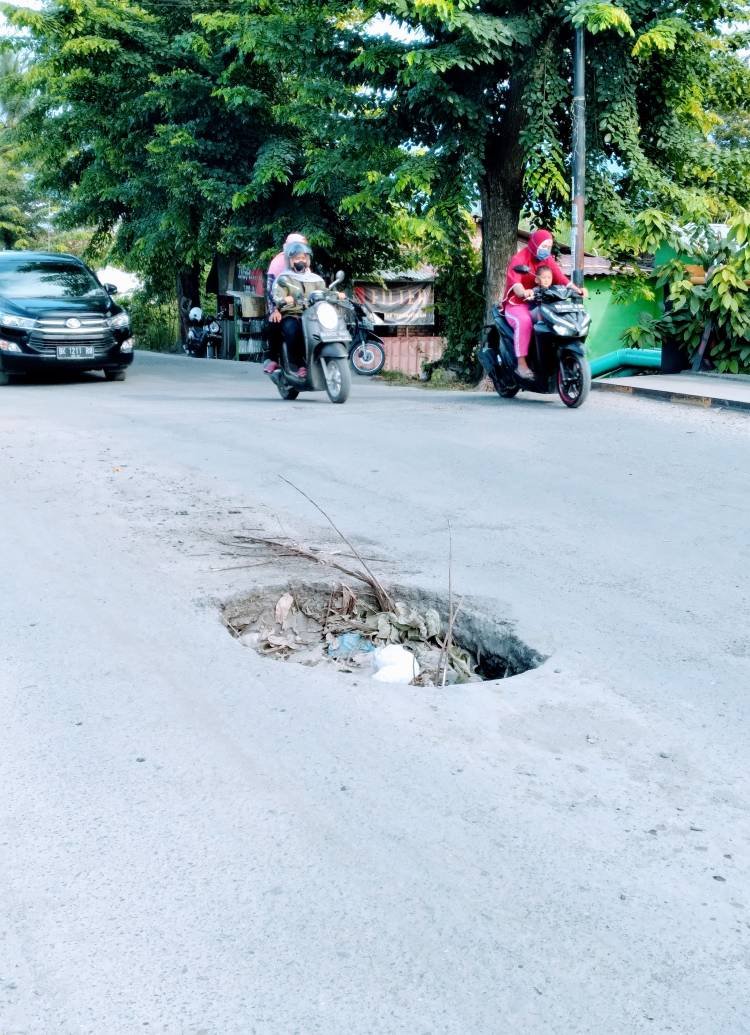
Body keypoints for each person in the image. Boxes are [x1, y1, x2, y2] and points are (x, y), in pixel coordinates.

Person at [502, 229, 586, 380]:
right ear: (534, 244)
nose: (546, 249)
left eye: (549, 246)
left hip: (541, 302)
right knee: (525, 322)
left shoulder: (547, 259)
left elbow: (561, 278)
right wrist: (524, 292)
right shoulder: (519, 259)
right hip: (517, 304)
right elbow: (516, 284)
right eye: (543, 246)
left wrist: (577, 290)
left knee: (553, 320)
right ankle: (521, 364)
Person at [271, 241, 326, 379]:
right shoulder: (284, 278)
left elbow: (324, 292)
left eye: (303, 258)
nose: (300, 261)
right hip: (292, 314)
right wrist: (285, 299)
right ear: (290, 261)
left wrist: (337, 295)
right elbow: (277, 295)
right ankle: (299, 365)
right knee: (294, 331)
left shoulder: (315, 279)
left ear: (307, 260)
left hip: (313, 315)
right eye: (297, 258)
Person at [264, 232, 308, 374]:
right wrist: (275, 310)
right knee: (288, 328)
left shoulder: (305, 266)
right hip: (285, 310)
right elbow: (271, 290)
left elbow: (314, 287)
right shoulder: (277, 264)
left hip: (306, 310)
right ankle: (278, 360)